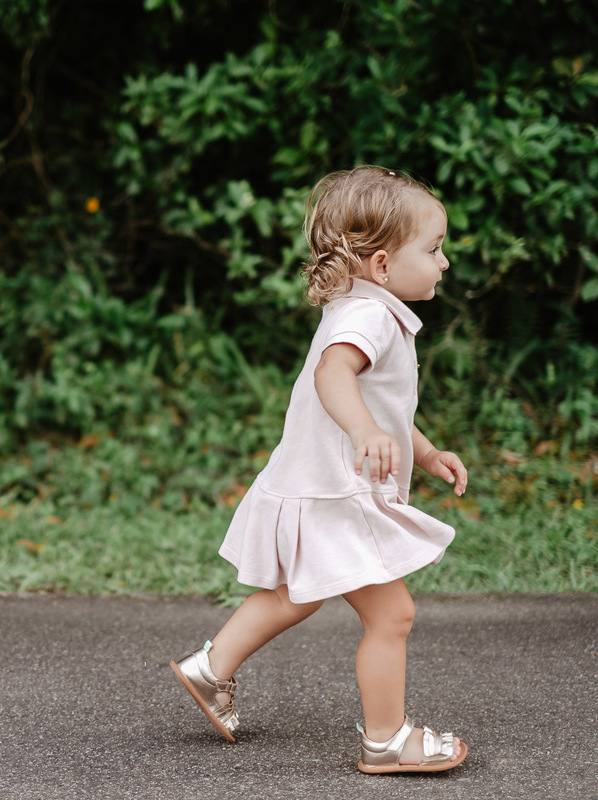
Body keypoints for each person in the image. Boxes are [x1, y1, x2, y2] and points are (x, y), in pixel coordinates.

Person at [170, 166, 469, 774]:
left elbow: (383, 406)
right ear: (383, 265)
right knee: (393, 614)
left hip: (313, 485)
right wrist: (364, 432)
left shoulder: (361, 307)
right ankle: (387, 741)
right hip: (337, 492)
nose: (444, 263)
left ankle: (210, 669)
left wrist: (426, 451)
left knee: (294, 595)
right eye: (434, 249)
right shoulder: (371, 318)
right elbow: (333, 377)